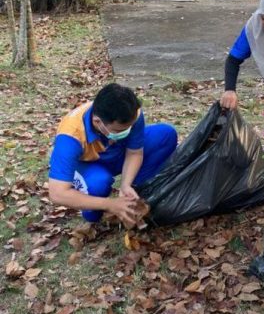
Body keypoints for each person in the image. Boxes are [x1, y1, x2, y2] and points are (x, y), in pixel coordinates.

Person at [48, 83, 178, 225]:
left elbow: (134, 153)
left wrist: (126, 185)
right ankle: (93, 213)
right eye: (119, 130)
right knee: (98, 183)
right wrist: (109, 204)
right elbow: (57, 193)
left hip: (117, 152)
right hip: (89, 163)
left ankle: (137, 193)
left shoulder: (131, 113)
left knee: (165, 135)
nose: (127, 132)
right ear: (98, 122)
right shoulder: (70, 137)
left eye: (129, 128)